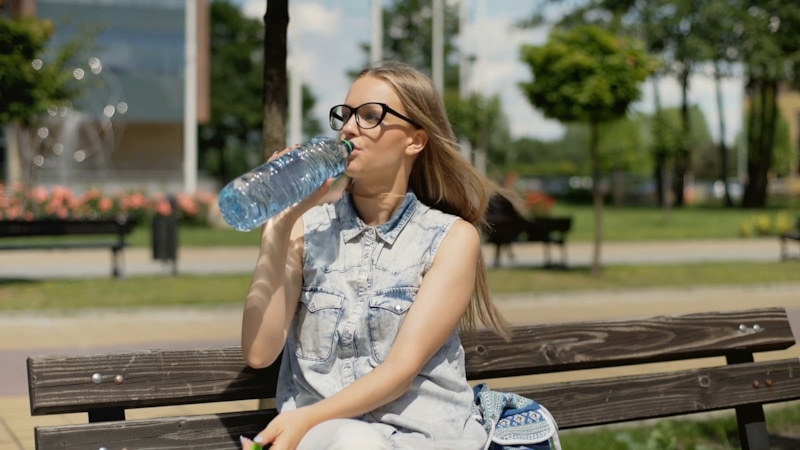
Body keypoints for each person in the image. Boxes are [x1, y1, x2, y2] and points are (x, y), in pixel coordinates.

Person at [240, 60, 509, 450]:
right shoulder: (306, 229)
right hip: (329, 439)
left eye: (369, 116)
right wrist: (278, 226)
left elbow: (400, 370)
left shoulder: (451, 238)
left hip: (425, 439)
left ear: (415, 140)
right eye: (345, 115)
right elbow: (259, 353)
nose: (349, 128)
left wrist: (303, 418)